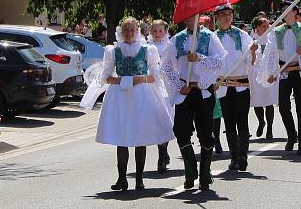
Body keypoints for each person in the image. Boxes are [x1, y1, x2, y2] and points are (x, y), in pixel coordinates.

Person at [81, 17, 173, 190]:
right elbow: (106, 76)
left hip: (141, 95)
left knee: (140, 137)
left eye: (132, 30)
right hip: (120, 96)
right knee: (121, 137)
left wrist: (141, 79)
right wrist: (123, 81)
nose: (129, 33)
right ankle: (122, 178)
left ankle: (139, 179)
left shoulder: (148, 49)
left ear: (137, 30)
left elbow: (155, 76)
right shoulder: (112, 50)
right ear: (121, 32)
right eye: (126, 30)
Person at [161, 15, 226, 190]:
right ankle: (190, 171)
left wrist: (199, 58)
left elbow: (220, 61)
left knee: (205, 132)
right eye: (188, 18)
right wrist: (178, 85)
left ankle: (205, 173)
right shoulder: (177, 39)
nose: (191, 21)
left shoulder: (209, 36)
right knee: (181, 131)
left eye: (194, 17)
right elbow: (166, 65)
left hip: (203, 90)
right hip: (185, 90)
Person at [260, 0, 301, 155]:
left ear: (295, 12)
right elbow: (270, 54)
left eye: (288, 9)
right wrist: (270, 73)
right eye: (283, 10)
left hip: (299, 71)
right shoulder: (276, 32)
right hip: (284, 72)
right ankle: (292, 135)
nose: (285, 12)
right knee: (284, 107)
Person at [213, 4, 255, 172]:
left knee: (242, 120)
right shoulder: (212, 38)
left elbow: (250, 60)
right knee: (229, 122)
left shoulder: (242, 34)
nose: (227, 17)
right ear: (217, 17)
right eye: (223, 14)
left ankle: (243, 155)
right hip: (222, 86)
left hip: (241, 84)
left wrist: (252, 52)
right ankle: (234, 157)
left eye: (229, 14)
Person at [148, 19, 172, 173]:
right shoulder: (147, 47)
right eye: (155, 31)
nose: (158, 34)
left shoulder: (170, 47)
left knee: (166, 121)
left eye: (160, 31)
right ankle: (162, 152)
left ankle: (162, 154)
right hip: (151, 87)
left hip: (167, 87)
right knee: (157, 122)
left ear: (165, 31)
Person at [249, 17, 277, 141]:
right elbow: (249, 61)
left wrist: (274, 74)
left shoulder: (273, 40)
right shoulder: (252, 41)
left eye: (268, 26)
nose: (267, 28)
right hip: (256, 75)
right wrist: (253, 52)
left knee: (269, 102)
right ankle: (261, 122)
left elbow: (277, 58)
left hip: (270, 74)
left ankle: (270, 129)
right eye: (263, 26)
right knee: (258, 101)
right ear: (257, 28)